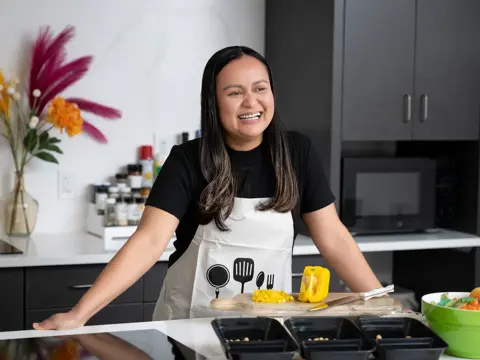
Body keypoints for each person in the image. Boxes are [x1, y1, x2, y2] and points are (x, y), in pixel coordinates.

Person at [33, 45, 382, 330]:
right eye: (235, 93)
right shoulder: (189, 159)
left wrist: (380, 303)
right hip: (189, 328)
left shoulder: (297, 152)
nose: (251, 102)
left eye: (260, 88)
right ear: (214, 104)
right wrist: (79, 314)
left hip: (269, 333)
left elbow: (333, 236)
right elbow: (149, 241)